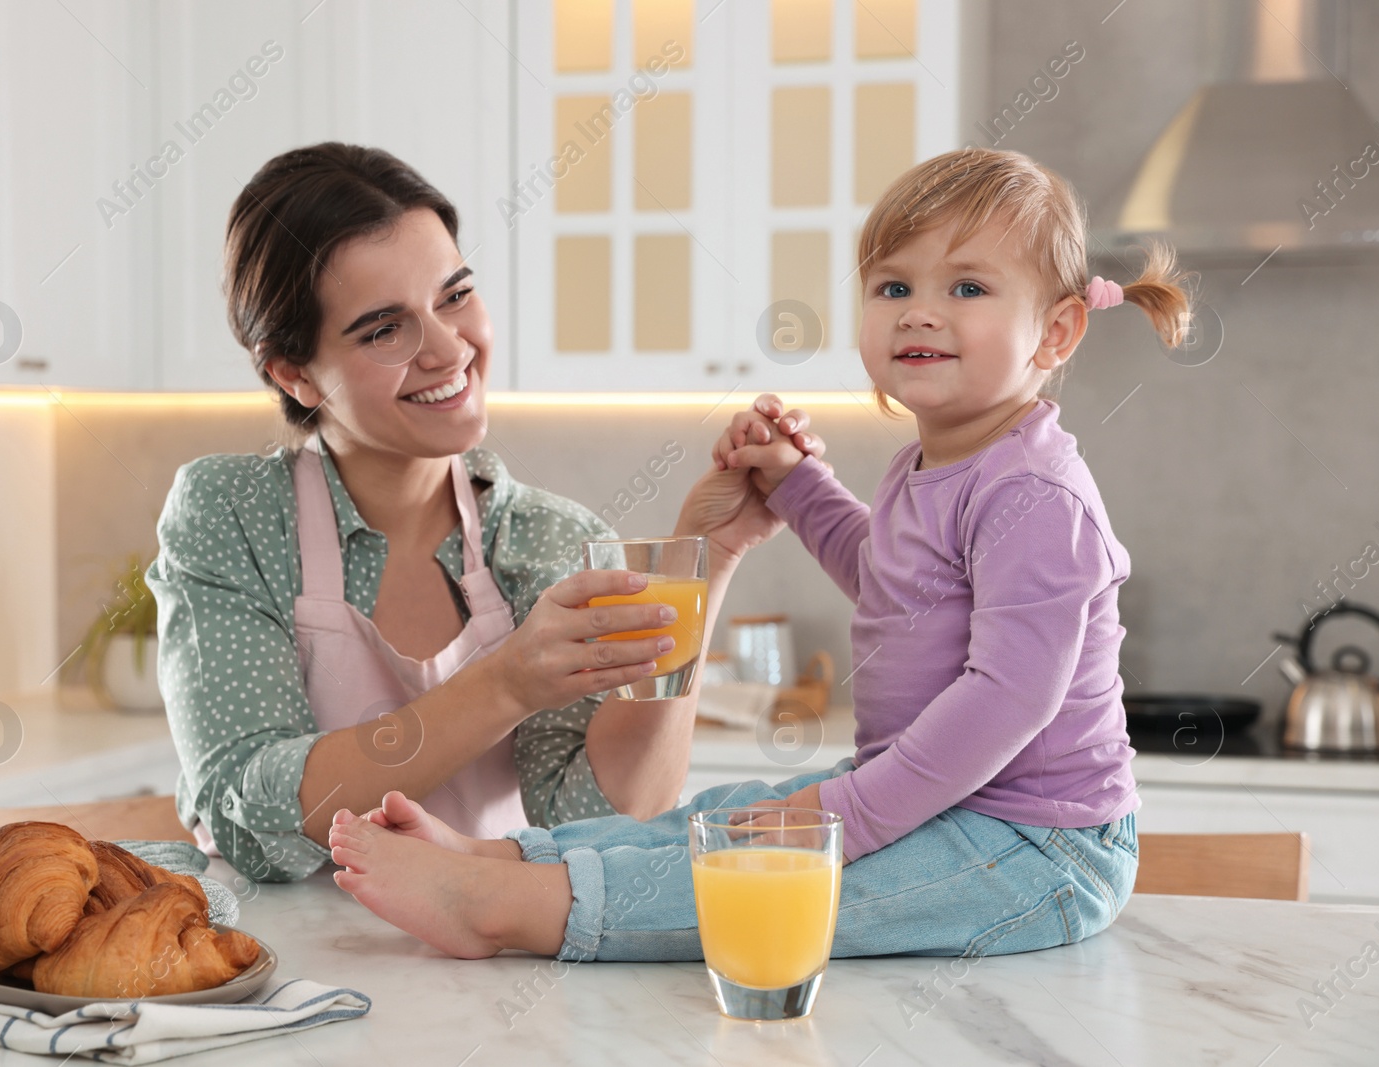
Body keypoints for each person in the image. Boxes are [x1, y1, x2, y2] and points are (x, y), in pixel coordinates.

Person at [323, 146, 1192, 962]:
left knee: (760, 881)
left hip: (1035, 847)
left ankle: (504, 908)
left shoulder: (1033, 496)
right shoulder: (934, 461)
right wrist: (796, 486)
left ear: (1057, 332)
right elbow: (895, 586)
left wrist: (841, 813)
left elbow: (1006, 703)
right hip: (947, 805)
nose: (920, 310)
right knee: (720, 819)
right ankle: (504, 859)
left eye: (967, 286)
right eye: (893, 285)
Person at [145, 143, 807, 883]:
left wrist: (704, 563)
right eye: (383, 329)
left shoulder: (554, 537)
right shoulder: (231, 514)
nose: (447, 348)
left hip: (486, 962)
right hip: (286, 970)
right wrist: (507, 681)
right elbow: (247, 807)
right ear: (294, 372)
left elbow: (607, 823)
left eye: (454, 295)